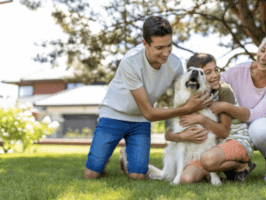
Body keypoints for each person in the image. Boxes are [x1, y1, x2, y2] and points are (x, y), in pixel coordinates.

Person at [84, 16, 212, 180]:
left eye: (169, 46)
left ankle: (125, 156)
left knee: (138, 175)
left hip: (139, 121)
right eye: (159, 48)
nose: (166, 53)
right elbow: (150, 113)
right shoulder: (130, 62)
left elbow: (184, 95)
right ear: (145, 43)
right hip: (114, 114)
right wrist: (187, 109)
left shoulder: (175, 64)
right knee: (91, 174)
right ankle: (105, 155)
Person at [209, 33, 266, 181]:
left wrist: (224, 105)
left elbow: (258, 114)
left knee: (259, 128)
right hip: (239, 128)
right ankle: (241, 164)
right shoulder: (238, 71)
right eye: (262, 50)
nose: (262, 57)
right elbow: (214, 86)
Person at [162, 53, 255, 184]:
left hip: (236, 141)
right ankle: (214, 168)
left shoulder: (224, 90)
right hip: (212, 149)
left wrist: (200, 119)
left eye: (216, 70)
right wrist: (183, 136)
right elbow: (168, 135)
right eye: (207, 72)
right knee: (186, 179)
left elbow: (224, 132)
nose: (215, 75)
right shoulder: (190, 98)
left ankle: (241, 165)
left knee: (208, 160)